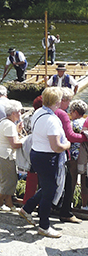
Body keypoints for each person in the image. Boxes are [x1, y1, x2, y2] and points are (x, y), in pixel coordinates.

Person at [19, 87, 70, 238]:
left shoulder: (38, 112)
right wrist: (67, 144)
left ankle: (27, 209)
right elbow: (56, 147)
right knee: (49, 192)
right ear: (57, 102)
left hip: (37, 154)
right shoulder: (52, 120)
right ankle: (44, 226)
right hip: (48, 157)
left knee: (49, 187)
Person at [55, 88, 86, 223]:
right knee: (78, 182)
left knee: (69, 182)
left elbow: (70, 136)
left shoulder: (70, 121)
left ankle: (65, 205)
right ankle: (77, 207)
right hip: (79, 157)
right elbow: (72, 136)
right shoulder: (82, 123)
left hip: (69, 156)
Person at [0, 100, 23, 211]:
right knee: (9, 181)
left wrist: (17, 131)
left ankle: (9, 203)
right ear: (14, 113)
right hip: (4, 155)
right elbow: (14, 144)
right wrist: (27, 142)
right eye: (19, 112)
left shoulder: (4, 121)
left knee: (8, 178)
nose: (21, 114)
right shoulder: (9, 125)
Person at [69, 100, 88, 210]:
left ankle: (69, 202)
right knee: (84, 180)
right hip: (85, 155)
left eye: (71, 112)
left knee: (72, 180)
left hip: (74, 155)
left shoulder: (72, 124)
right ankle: (84, 205)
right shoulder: (85, 122)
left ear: (75, 112)